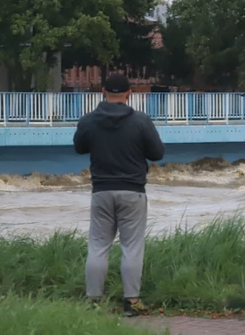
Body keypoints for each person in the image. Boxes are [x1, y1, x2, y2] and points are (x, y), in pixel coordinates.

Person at [73, 74, 165, 316]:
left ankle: (93, 300)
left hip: (101, 190)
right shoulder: (141, 121)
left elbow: (79, 147)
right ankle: (131, 302)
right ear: (129, 93)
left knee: (98, 245)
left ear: (103, 92)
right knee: (132, 247)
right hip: (133, 191)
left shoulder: (89, 121)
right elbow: (157, 153)